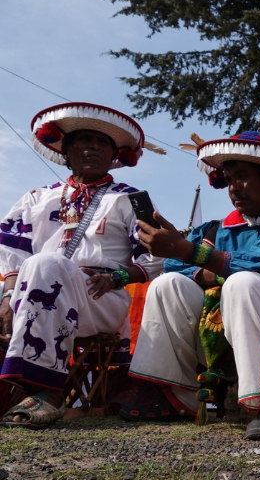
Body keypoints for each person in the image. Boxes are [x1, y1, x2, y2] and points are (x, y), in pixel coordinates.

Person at [120, 131, 260, 436]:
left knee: (244, 282)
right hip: (222, 331)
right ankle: (178, 396)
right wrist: (194, 258)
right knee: (168, 285)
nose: (233, 188)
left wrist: (195, 254)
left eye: (242, 177)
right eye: (229, 180)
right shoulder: (219, 228)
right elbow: (175, 263)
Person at [0, 102, 164, 428]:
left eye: (103, 142)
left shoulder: (131, 199)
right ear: (66, 150)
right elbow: (10, 252)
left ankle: (47, 392)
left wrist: (118, 277)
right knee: (41, 267)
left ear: (115, 154)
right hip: (28, 289)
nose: (93, 147)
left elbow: (155, 258)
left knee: (47, 264)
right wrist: (6, 298)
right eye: (84, 140)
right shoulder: (36, 198)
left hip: (100, 295)